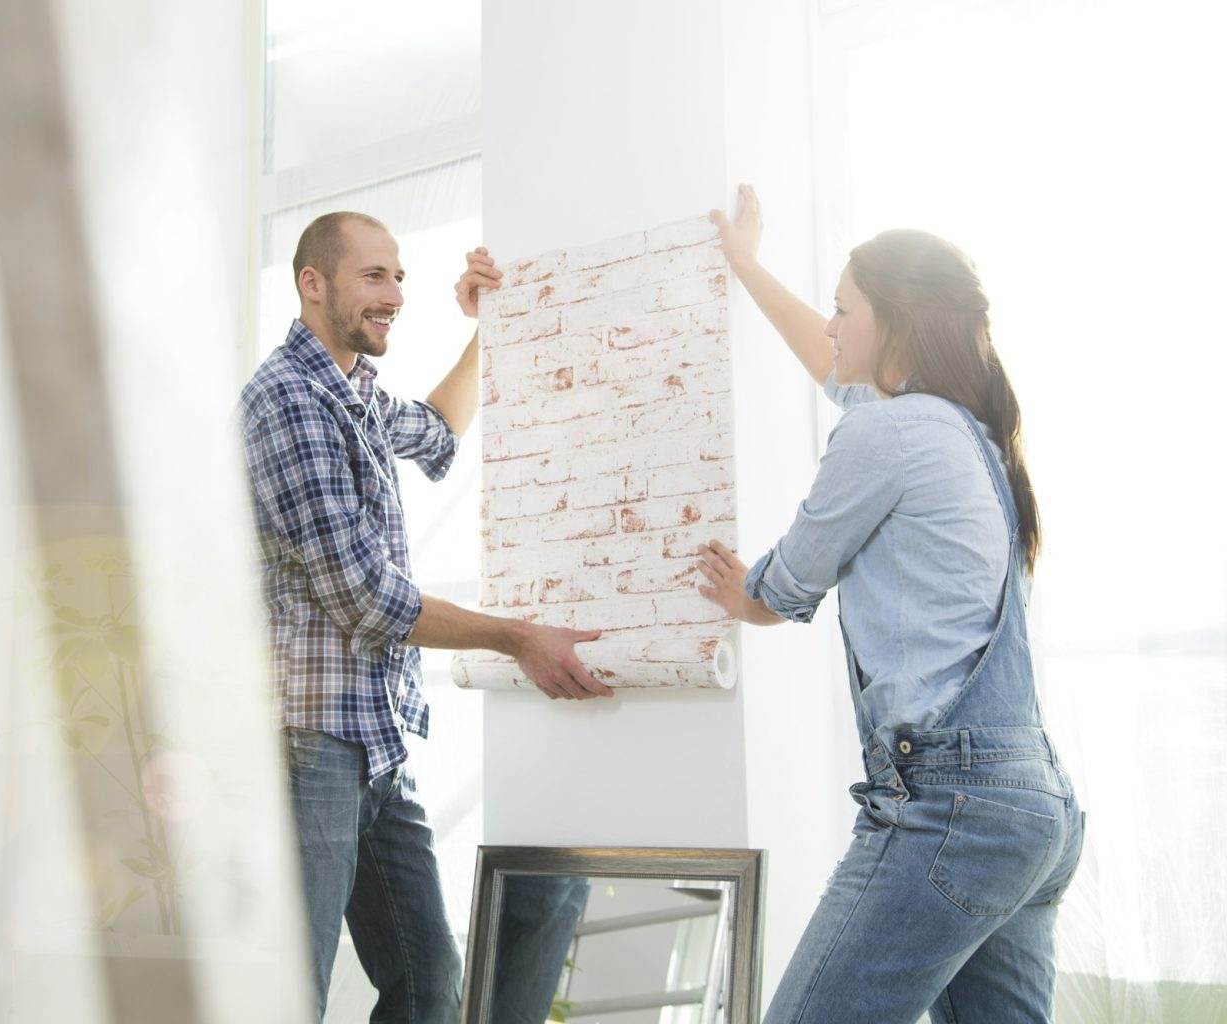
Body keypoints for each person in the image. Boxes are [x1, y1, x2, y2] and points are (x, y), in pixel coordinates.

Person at [695, 186, 1085, 1024]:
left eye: (843, 309)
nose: (831, 325)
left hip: (954, 806)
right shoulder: (964, 430)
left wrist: (743, 590)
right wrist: (747, 266)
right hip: (1033, 806)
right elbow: (827, 361)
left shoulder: (887, 436)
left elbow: (787, 588)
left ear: (896, 322)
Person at [239, 211, 613, 1023]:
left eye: (400, 276)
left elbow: (440, 430)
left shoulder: (356, 395)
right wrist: (514, 635)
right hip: (308, 747)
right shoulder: (288, 403)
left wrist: (487, 327)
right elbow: (364, 597)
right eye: (375, 276)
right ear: (314, 284)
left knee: (427, 983)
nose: (396, 294)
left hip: (374, 745)